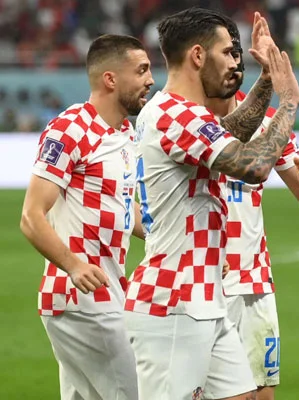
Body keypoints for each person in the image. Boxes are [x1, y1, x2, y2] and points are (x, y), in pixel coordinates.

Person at [124, 8, 299, 399]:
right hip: (173, 301)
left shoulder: (175, 113)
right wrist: (288, 102)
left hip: (205, 296)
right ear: (198, 56)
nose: (235, 62)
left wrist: (266, 80)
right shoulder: (176, 114)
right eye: (226, 52)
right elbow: (253, 166)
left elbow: (229, 132)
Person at [19, 34, 153, 400]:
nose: (150, 80)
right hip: (81, 299)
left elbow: (124, 208)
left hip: (107, 294)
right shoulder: (71, 128)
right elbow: (31, 215)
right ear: (110, 79)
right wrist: (74, 265)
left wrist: (175, 240)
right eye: (141, 70)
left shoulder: (126, 133)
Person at [205, 20, 299, 400]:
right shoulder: (188, 120)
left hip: (254, 283)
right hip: (204, 281)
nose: (233, 63)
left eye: (236, 54)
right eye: (225, 54)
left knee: (261, 394)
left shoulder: (268, 122)